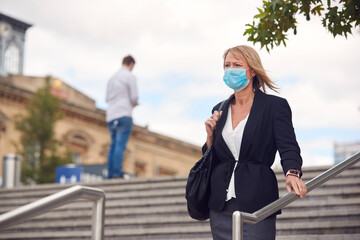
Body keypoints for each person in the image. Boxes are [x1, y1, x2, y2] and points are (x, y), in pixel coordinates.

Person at [203, 45, 307, 240]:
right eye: (227, 65)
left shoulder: (274, 107)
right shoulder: (219, 109)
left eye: (236, 64)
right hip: (220, 205)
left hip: (258, 202)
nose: (230, 70)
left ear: (251, 71)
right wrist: (210, 137)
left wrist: (292, 172)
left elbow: (288, 145)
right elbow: (214, 158)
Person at [106, 55, 138, 179]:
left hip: (111, 115)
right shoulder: (130, 76)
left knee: (113, 144)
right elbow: (134, 97)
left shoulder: (111, 79)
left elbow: (107, 98)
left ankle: (110, 173)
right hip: (124, 113)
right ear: (131, 64)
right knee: (120, 144)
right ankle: (117, 172)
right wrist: (134, 103)